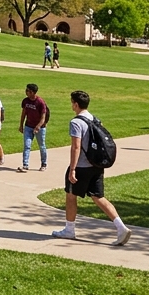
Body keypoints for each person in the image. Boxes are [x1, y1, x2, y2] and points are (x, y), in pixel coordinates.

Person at [52, 90, 130, 246]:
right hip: (96, 165)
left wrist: (72, 169)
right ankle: (121, 227)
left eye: (71, 102)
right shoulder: (94, 119)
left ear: (75, 104)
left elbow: (76, 147)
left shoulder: (76, 122)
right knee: (98, 196)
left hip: (81, 166)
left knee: (70, 195)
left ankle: (69, 229)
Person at [18, 83, 49, 173]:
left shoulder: (40, 102)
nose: (26, 92)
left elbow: (43, 117)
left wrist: (38, 127)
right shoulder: (25, 101)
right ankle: (25, 165)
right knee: (27, 146)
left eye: (27, 90)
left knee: (42, 146)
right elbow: (24, 113)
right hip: (28, 126)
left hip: (40, 128)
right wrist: (21, 125)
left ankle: (44, 164)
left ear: (32, 92)